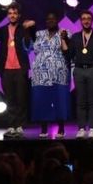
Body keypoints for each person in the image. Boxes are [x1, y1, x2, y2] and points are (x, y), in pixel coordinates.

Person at [0, 1, 34, 138]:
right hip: (5, 69)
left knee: (21, 97)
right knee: (10, 98)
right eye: (10, 13)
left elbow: (31, 38)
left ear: (19, 15)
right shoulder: (3, 30)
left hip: (20, 68)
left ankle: (20, 125)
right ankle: (11, 125)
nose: (12, 16)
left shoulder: (23, 28)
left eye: (15, 13)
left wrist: (29, 26)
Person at [67, 9, 93, 139]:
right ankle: (81, 128)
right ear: (80, 21)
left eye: (88, 19)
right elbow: (69, 54)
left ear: (92, 21)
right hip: (79, 70)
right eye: (84, 18)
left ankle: (92, 128)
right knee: (80, 101)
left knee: (92, 101)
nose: (86, 21)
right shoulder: (75, 37)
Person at [30, 11, 72, 139]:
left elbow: (68, 50)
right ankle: (43, 128)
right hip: (41, 73)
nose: (50, 21)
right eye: (48, 19)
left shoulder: (65, 32)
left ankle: (61, 128)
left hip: (59, 72)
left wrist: (64, 38)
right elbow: (32, 48)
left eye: (53, 19)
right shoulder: (39, 34)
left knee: (60, 100)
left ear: (57, 20)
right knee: (42, 101)